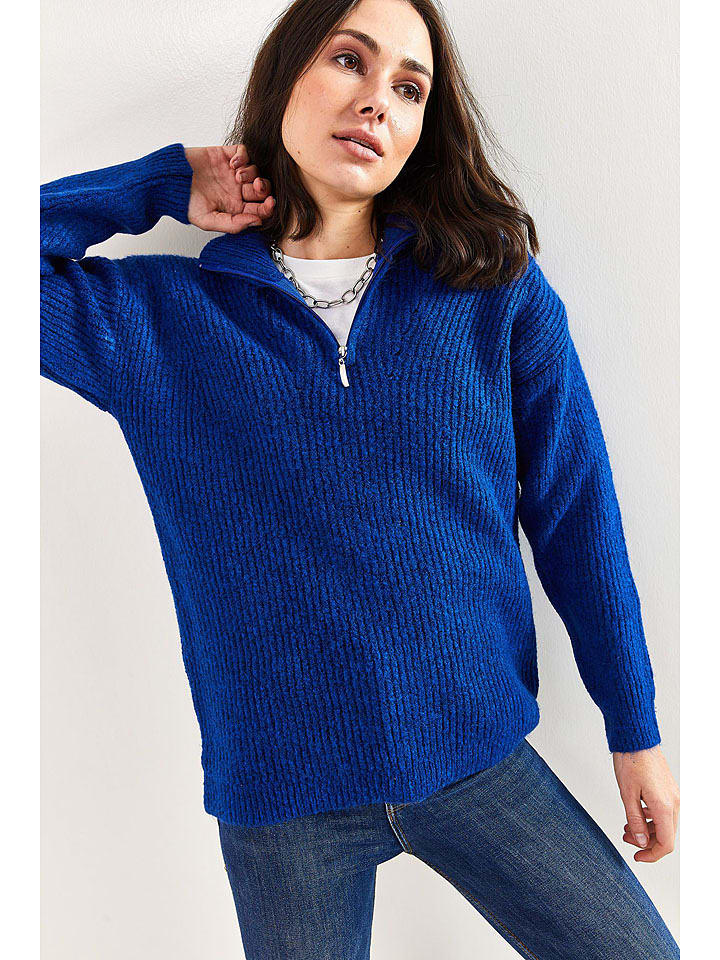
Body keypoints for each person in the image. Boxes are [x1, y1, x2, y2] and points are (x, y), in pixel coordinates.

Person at [40, 0, 679, 956]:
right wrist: (161, 182)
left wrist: (635, 731)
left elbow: (577, 517)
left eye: (410, 87)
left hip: (478, 758)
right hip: (283, 802)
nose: (378, 100)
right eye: (349, 60)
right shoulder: (158, 322)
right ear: (286, 77)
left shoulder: (491, 291)